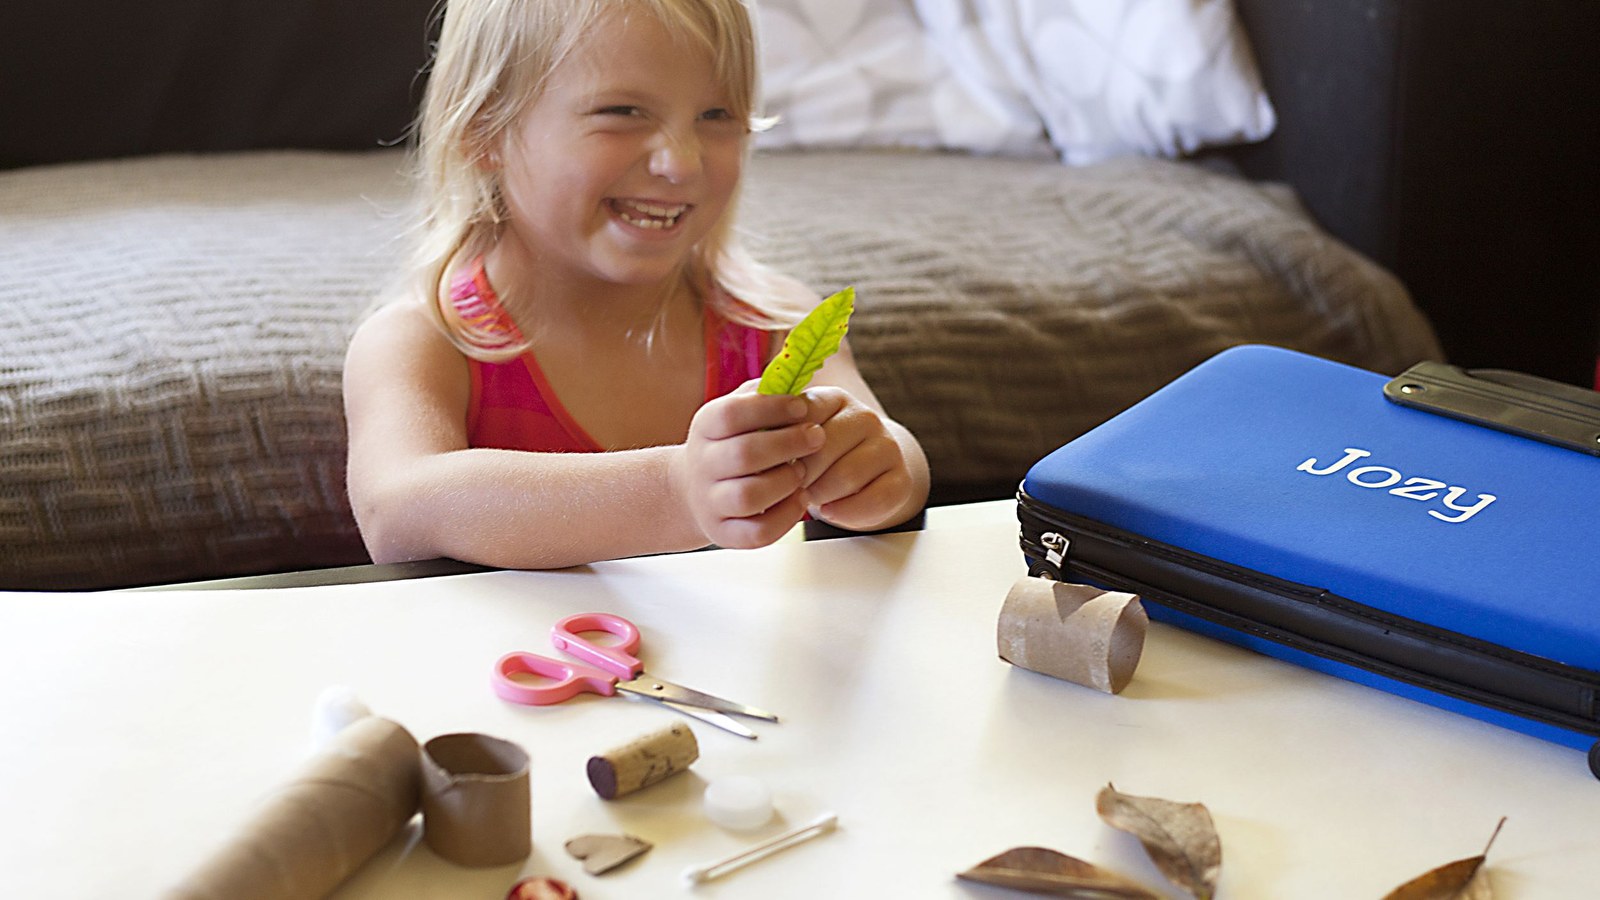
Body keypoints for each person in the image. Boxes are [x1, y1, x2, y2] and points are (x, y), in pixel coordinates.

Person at [342, 0, 929, 570]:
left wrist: (876, 477)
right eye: (623, 112)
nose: (682, 162)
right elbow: (397, 512)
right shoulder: (422, 340)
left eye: (716, 115)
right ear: (483, 129)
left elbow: (894, 455)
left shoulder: (773, 321)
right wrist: (676, 493)